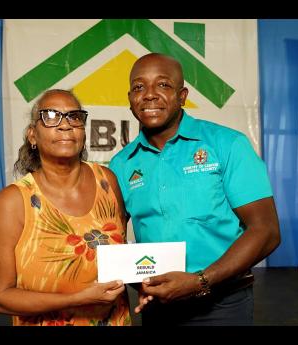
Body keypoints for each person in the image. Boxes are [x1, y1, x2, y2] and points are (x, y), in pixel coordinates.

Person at [109, 53, 281, 326]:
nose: (149, 95)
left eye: (163, 85)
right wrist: (139, 284)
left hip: (223, 305)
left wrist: (200, 281)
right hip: (158, 306)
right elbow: (113, 238)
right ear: (130, 98)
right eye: (139, 87)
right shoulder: (120, 164)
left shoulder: (228, 144)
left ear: (182, 95)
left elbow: (267, 231)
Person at [0, 89, 131, 326]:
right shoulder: (12, 201)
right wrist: (78, 299)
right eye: (51, 116)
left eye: (74, 117)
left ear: (83, 131)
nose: (65, 125)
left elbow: (122, 258)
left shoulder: (107, 181)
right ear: (32, 135)